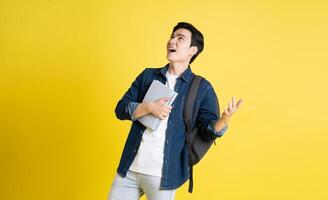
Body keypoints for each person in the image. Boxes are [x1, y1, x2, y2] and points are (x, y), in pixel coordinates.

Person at [108, 22, 243, 200]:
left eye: (180, 38)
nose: (172, 41)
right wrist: (147, 107)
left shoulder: (201, 87)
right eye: (172, 36)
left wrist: (224, 119)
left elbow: (207, 131)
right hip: (128, 170)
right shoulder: (148, 76)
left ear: (192, 51)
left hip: (163, 176)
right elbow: (120, 109)